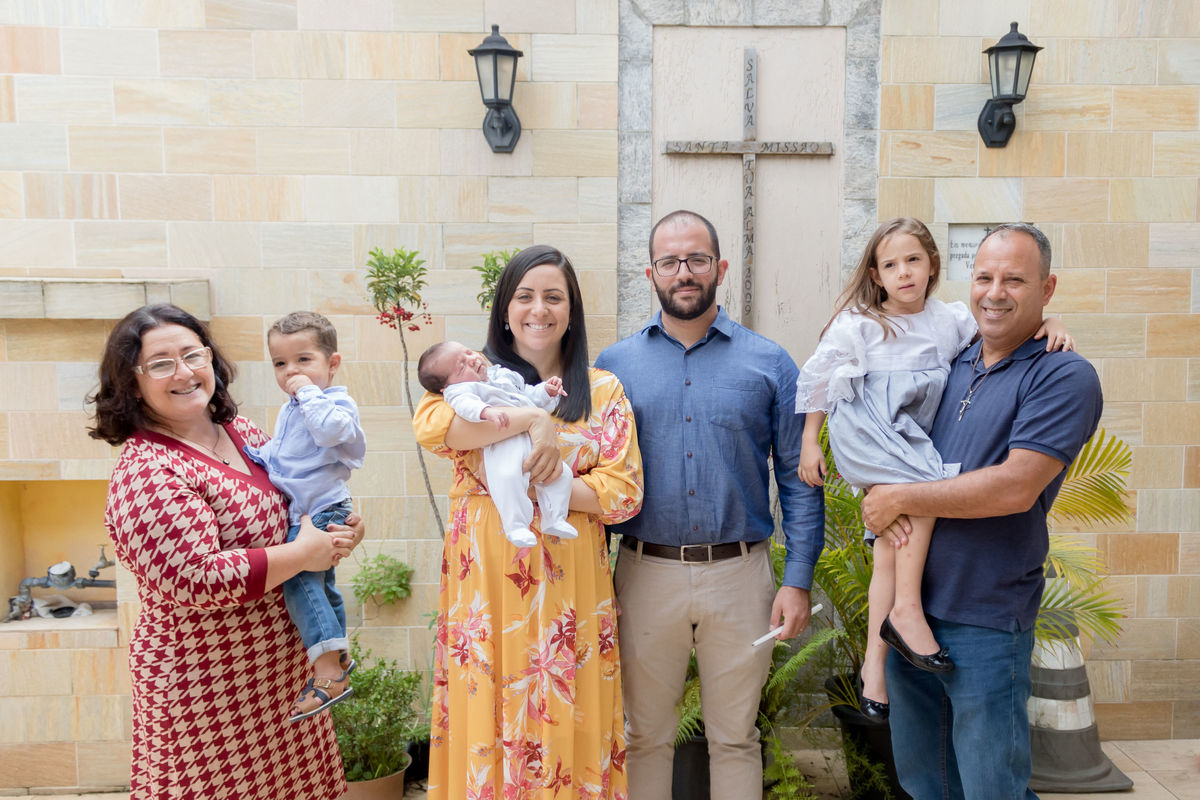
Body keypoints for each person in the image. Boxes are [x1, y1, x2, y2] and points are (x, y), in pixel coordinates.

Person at [794, 218, 1073, 722]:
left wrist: (1050, 325)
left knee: (890, 540)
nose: (904, 273)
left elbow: (1010, 326)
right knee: (925, 494)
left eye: (914, 260)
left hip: (906, 437)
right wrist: (810, 441)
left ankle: (874, 671)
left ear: (933, 266)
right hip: (872, 426)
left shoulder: (950, 321)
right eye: (891, 265)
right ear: (876, 275)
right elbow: (818, 376)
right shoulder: (861, 322)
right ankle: (906, 611)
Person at [860, 223, 1103, 800]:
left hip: (985, 618)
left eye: (1015, 280)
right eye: (985, 277)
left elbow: (1015, 487)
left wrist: (898, 498)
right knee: (925, 784)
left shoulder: (1062, 374)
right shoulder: (955, 356)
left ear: (1047, 289)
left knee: (992, 787)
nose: (995, 292)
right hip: (908, 615)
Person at [88, 304, 365, 800]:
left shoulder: (242, 432)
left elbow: (296, 508)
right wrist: (304, 554)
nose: (184, 372)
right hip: (207, 693)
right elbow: (193, 578)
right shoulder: (149, 469)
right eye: (160, 363)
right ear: (132, 382)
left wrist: (334, 534)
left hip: (282, 679)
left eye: (193, 355)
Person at [594, 209, 825, 799]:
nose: (684, 272)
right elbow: (593, 479)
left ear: (720, 267)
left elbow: (800, 482)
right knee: (644, 737)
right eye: (670, 262)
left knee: (736, 738)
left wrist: (797, 580)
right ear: (651, 273)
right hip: (644, 573)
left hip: (741, 575)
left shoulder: (770, 364)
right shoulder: (612, 368)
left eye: (696, 259)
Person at [412, 245, 643, 799]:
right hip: (487, 591)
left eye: (554, 297)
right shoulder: (466, 383)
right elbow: (435, 429)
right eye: (525, 296)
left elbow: (625, 493)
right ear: (504, 307)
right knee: (488, 716)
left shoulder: (603, 390)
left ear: (572, 309)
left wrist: (553, 479)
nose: (538, 310)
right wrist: (535, 419)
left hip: (570, 589)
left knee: (569, 711)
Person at [243, 311, 366, 722]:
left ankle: (328, 672)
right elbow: (284, 456)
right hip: (312, 508)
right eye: (280, 364)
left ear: (333, 363)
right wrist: (255, 456)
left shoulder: (333, 403)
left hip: (322, 509)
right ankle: (339, 654)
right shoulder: (293, 409)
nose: (291, 372)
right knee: (323, 586)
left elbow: (332, 433)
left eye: (304, 360)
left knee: (299, 582)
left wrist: (308, 392)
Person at [416, 339, 577, 548]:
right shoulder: (462, 390)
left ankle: (555, 518)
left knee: (562, 476)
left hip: (527, 441)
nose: (472, 361)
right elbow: (464, 404)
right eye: (461, 366)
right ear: (447, 386)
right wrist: (485, 411)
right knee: (507, 478)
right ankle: (516, 525)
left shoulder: (500, 376)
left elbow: (527, 394)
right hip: (503, 444)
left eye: (468, 353)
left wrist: (546, 391)